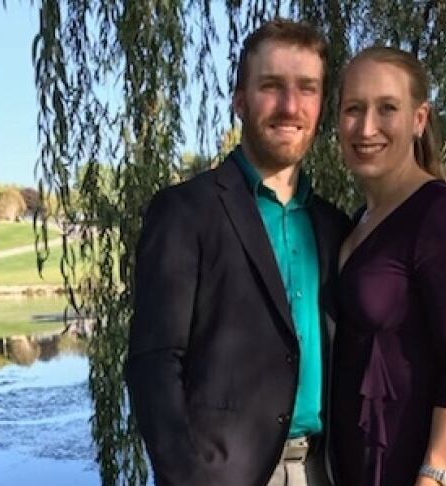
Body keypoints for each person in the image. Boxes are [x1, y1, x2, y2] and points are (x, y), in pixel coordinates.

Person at [126, 19, 351, 486]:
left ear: (321, 105)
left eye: (306, 88)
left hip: (327, 471)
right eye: (271, 86)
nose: (290, 105)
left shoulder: (334, 226)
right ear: (240, 100)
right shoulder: (185, 211)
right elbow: (154, 362)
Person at [331, 46, 446, 486]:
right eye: (353, 109)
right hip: (367, 466)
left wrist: (435, 475)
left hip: (422, 472)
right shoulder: (356, 223)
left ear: (419, 120)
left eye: (387, 108)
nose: (366, 128)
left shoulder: (442, 218)